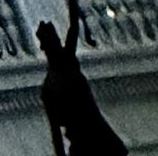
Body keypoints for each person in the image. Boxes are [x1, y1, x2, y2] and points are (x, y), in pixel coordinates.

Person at [38, 13, 128, 156]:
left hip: (95, 138)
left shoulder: (56, 77)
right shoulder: (57, 76)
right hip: (91, 140)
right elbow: (56, 133)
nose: (59, 43)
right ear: (47, 46)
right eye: (55, 40)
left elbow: (56, 134)